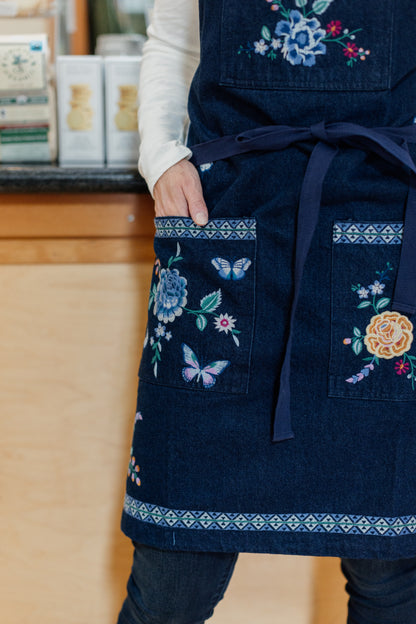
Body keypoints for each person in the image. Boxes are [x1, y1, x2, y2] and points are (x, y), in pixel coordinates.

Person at [117, 1, 416, 622]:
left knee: (391, 569)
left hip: (383, 222)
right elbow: (172, 42)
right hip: (227, 217)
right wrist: (163, 155)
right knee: (172, 579)